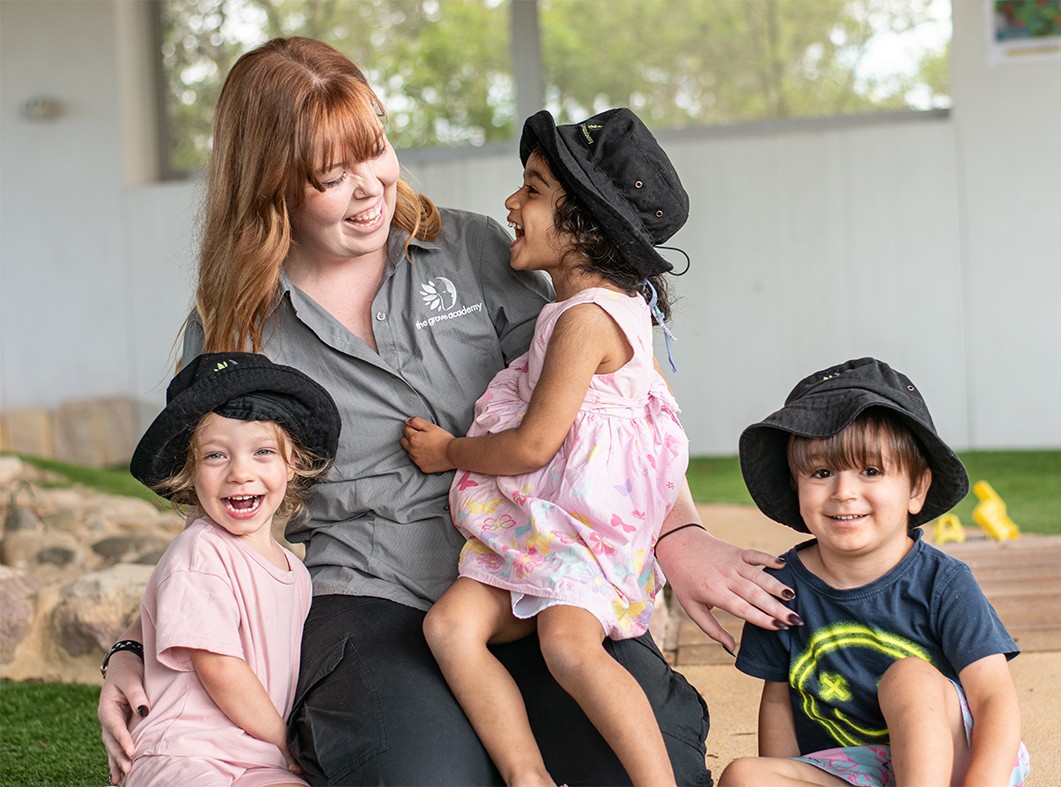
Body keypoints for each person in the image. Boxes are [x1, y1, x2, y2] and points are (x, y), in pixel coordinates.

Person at [98, 36, 799, 786]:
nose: (369, 188)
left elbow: (606, 410)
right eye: (332, 176)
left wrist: (680, 530)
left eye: (375, 151)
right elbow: (216, 521)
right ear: (269, 185)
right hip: (372, 598)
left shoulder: (469, 248)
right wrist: (133, 651)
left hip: (533, 574)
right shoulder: (236, 328)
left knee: (640, 758)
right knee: (427, 773)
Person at [399, 107, 689, 786]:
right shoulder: (573, 310)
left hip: (581, 534)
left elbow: (532, 444)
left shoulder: (588, 319)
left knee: (567, 645)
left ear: (584, 225)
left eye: (532, 190)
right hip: (542, 534)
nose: (511, 202)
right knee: (448, 628)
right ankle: (527, 774)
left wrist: (447, 452)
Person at [719, 357, 1031, 787]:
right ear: (797, 486)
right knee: (744, 777)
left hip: (956, 761)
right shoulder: (781, 587)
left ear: (916, 489)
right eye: (822, 472)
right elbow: (779, 700)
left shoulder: (943, 583)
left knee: (908, 678)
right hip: (854, 770)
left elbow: (994, 697)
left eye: (870, 471)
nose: (844, 492)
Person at [120, 352, 341, 787]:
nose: (241, 473)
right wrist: (284, 739)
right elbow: (218, 666)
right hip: (186, 750)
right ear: (191, 472)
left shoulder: (295, 573)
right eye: (216, 456)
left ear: (292, 462)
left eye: (262, 452)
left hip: (255, 758)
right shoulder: (200, 552)